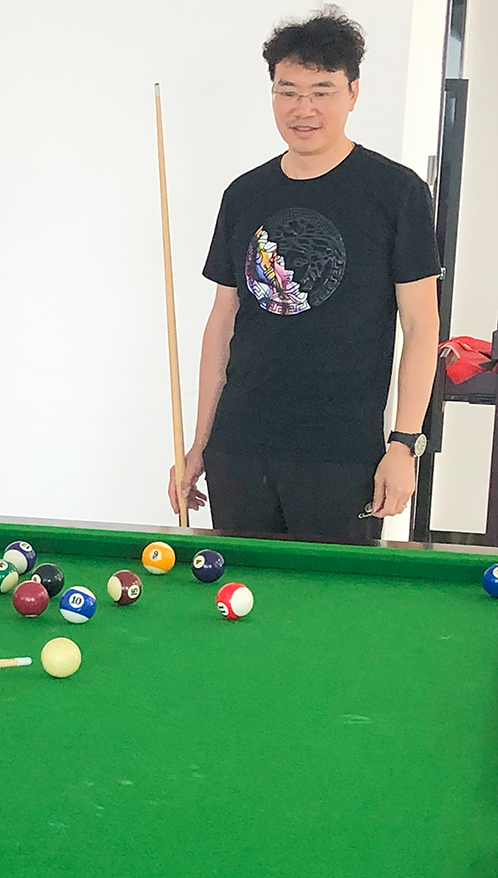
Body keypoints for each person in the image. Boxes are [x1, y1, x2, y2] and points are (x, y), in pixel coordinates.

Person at [168, 5, 441, 543]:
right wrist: (200, 443)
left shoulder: (397, 192)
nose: (304, 108)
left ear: (353, 92)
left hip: (342, 455)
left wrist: (404, 443)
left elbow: (420, 326)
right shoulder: (245, 194)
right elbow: (222, 323)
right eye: (288, 91)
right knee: (238, 591)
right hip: (239, 449)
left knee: (332, 595)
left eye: (322, 90)